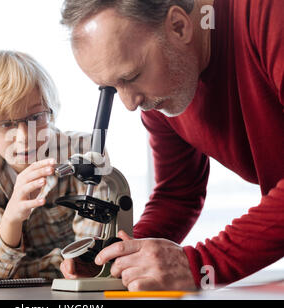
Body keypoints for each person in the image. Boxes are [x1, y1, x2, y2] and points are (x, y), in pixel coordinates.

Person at [59, 0, 284, 291]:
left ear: (178, 25)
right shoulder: (161, 97)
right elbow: (178, 194)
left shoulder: (267, 12)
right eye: (113, 88)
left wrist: (199, 264)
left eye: (131, 77)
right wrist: (117, 259)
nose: (130, 104)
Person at [0, 50, 108, 280]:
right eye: (6, 123)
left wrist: (20, 270)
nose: (25, 137)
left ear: (51, 111)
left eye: (36, 117)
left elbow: (91, 262)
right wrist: (11, 218)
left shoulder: (86, 152)